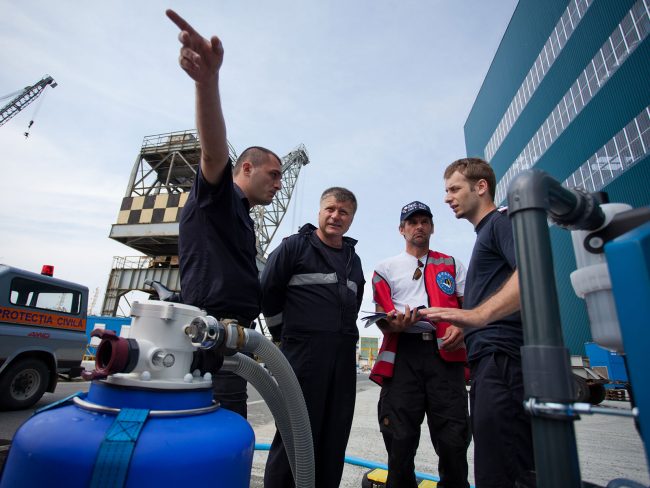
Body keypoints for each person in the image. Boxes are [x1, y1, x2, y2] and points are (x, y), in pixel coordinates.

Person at [167, 9, 283, 418]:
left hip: (230, 338)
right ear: (245, 168)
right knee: (217, 431)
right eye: (274, 174)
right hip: (206, 335)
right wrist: (207, 82)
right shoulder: (217, 196)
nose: (279, 183)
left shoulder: (243, 215)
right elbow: (214, 151)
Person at [425, 158, 536, 487]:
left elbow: (530, 272)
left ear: (481, 187)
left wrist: (478, 316)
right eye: (446, 191)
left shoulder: (502, 221)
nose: (447, 198)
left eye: (454, 188)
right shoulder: (486, 233)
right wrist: (467, 326)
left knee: (505, 466)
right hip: (489, 358)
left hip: (503, 358)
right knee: (494, 460)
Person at [261, 187, 365, 488]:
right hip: (303, 355)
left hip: (343, 357)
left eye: (343, 212)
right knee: (296, 433)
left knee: (334, 435)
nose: (336, 216)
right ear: (320, 211)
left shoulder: (353, 259)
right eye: (330, 209)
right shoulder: (294, 247)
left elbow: (354, 305)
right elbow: (268, 292)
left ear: (351, 219)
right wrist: (285, 336)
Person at [370, 201, 470, 488]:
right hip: (404, 355)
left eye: (424, 221)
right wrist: (393, 324)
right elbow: (381, 316)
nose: (419, 226)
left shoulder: (451, 264)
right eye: (412, 222)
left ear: (432, 227)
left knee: (453, 437)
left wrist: (460, 326)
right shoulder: (385, 268)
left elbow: (469, 306)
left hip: (445, 355)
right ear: (402, 229)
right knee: (399, 437)